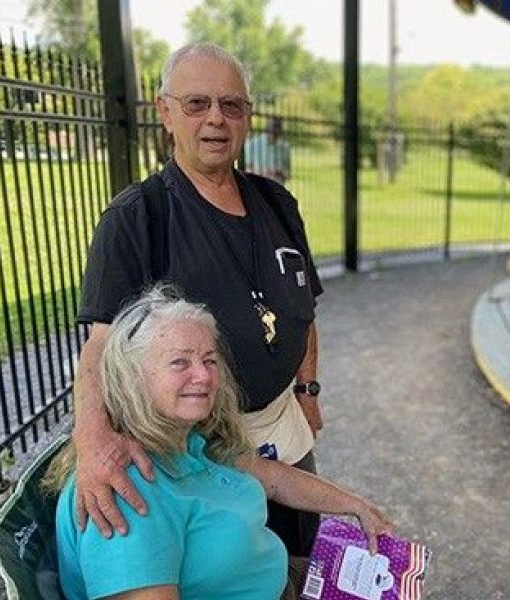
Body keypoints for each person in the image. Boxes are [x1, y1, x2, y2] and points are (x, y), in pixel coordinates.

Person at [73, 43, 324, 560]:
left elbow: (305, 308)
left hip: (286, 434)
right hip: (197, 457)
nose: (216, 119)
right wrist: (93, 445)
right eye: (196, 104)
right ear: (165, 111)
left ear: (248, 117)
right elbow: (99, 346)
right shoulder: (137, 218)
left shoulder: (277, 202)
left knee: (300, 559)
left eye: (231, 105)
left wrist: (308, 392)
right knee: (236, 576)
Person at [47, 288, 393, 600]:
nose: (204, 376)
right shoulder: (127, 489)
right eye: (180, 362)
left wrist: (358, 507)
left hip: (281, 577)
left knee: (390, 578)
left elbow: (272, 478)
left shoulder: (187, 441)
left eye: (209, 360)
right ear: (131, 377)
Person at [245, 116, 292, 185]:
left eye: (277, 130)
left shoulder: (285, 147)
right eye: (273, 129)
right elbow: (246, 169)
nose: (275, 132)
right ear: (267, 129)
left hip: (277, 187)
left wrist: (277, 173)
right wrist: (263, 173)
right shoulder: (252, 144)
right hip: (256, 185)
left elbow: (287, 174)